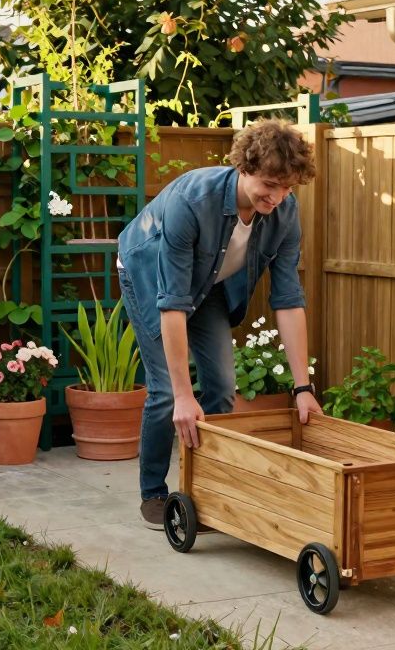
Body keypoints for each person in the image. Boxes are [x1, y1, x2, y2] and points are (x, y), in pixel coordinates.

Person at [116, 119, 323, 529]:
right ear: (243, 167)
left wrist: (302, 387)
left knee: (222, 389)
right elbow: (172, 302)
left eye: (287, 188)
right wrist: (181, 395)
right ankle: (154, 491)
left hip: (209, 283)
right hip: (148, 273)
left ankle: (202, 486)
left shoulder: (285, 213)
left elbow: (288, 298)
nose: (277, 197)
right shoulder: (193, 201)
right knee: (164, 392)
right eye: (269, 184)